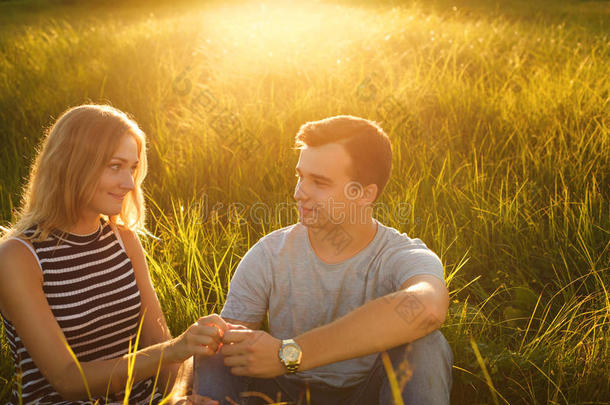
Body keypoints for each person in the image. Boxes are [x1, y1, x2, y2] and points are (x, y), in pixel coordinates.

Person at [195, 115, 453, 404]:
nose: (298, 193)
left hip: (367, 393)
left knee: (426, 345)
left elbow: (427, 308)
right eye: (300, 176)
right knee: (215, 344)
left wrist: (289, 354)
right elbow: (225, 344)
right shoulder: (270, 253)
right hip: (283, 394)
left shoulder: (399, 255)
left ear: (364, 194)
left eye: (319, 182)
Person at [0, 104, 224, 405]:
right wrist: (175, 350)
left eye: (132, 168)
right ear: (73, 165)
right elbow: (68, 380)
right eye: (115, 166)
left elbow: (161, 347)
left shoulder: (123, 240)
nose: (129, 183)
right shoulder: (18, 258)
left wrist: (181, 397)